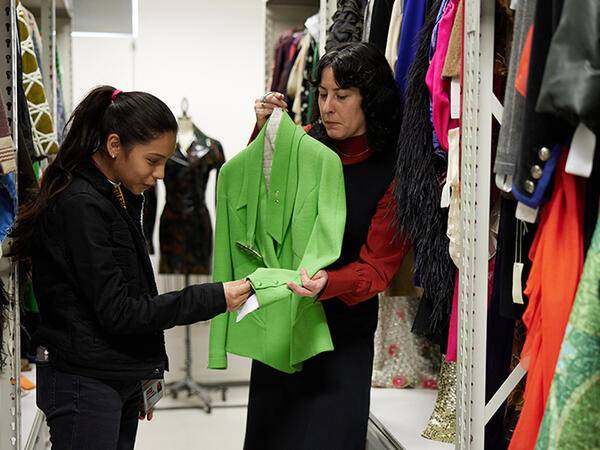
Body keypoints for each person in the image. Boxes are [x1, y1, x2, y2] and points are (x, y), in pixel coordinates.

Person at [8, 85, 251, 450]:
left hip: (108, 374)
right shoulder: (81, 205)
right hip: (84, 381)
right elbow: (119, 311)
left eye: (165, 162)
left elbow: (130, 290)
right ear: (114, 145)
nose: (161, 174)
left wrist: (139, 376)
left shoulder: (116, 193)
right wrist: (216, 296)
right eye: (153, 161)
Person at [245, 42, 410, 450]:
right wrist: (263, 133)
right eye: (321, 94)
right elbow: (252, 200)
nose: (327, 107)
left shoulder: (392, 170)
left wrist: (327, 283)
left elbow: (377, 269)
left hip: (344, 334)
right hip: (283, 324)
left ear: (369, 99)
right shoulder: (299, 143)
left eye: (342, 95)